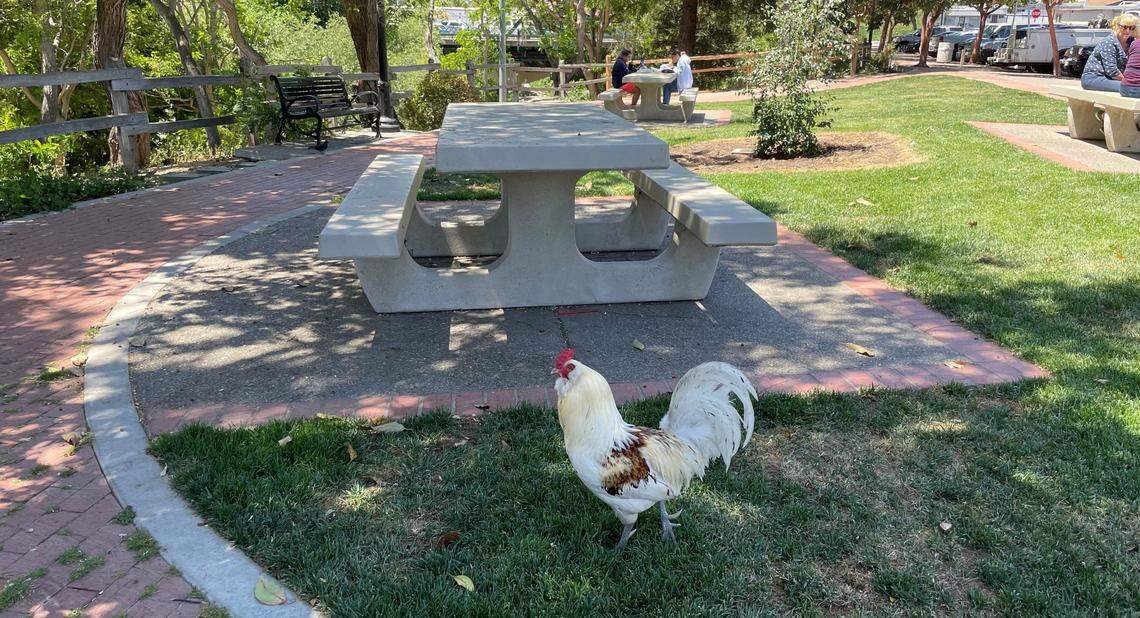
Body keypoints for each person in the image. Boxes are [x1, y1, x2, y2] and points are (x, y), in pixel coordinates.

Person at [1082, 14, 1137, 93]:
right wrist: (1130, 82)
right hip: (1094, 78)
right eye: (1124, 27)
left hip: (1110, 78)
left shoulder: (1131, 42)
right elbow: (1112, 71)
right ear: (1117, 26)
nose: (1128, 30)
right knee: (1130, 88)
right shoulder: (1108, 42)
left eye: (1132, 28)